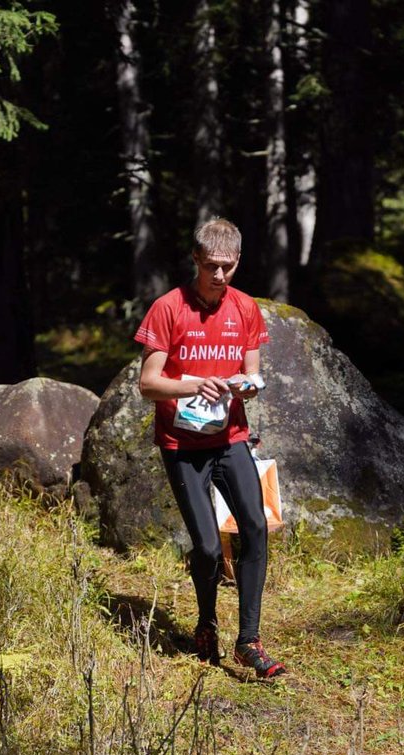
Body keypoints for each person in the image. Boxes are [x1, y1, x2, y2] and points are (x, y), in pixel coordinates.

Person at [134, 216, 286, 679]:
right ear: (195, 260)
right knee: (204, 546)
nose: (219, 276)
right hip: (181, 444)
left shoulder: (246, 309)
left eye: (228, 266)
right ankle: (205, 624)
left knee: (255, 527)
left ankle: (249, 642)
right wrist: (196, 384)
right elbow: (148, 384)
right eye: (211, 266)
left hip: (230, 438)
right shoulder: (168, 308)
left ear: (238, 261)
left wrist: (246, 387)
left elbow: (253, 374)